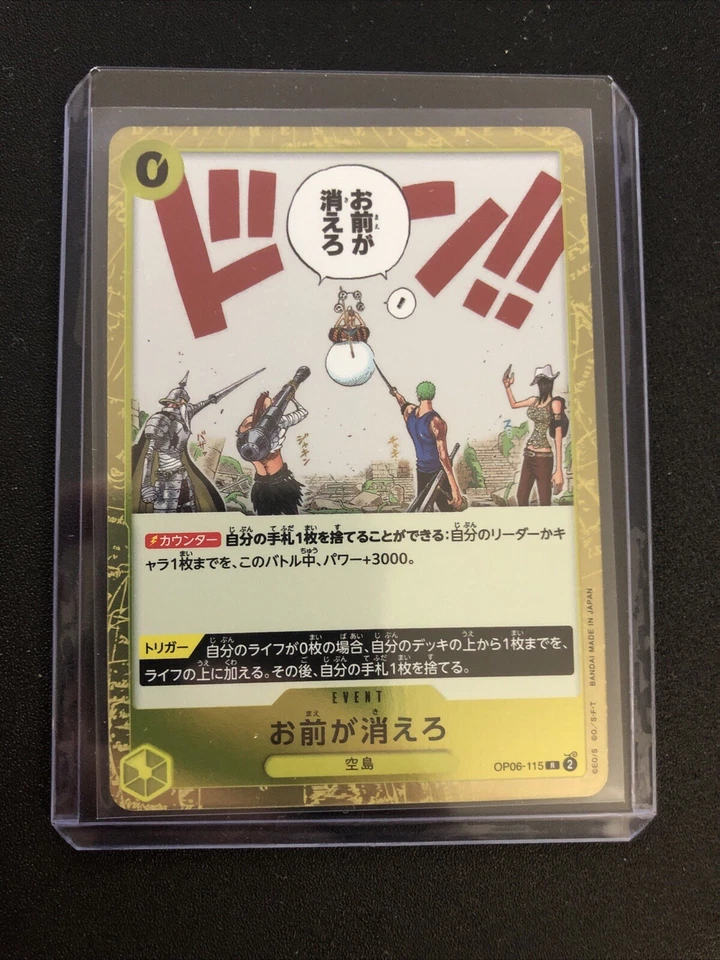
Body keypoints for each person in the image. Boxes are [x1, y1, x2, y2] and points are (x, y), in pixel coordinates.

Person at [132, 369, 262, 513]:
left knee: (191, 510)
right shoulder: (159, 420)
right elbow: (149, 454)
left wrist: (212, 399)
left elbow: (200, 405)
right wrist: (145, 486)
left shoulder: (184, 415)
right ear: (180, 402)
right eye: (184, 403)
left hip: (183, 476)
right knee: (165, 516)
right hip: (166, 480)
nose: (187, 406)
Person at [390, 380, 462, 511]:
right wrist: (454, 488)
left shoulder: (409, 414)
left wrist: (395, 393)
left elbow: (402, 402)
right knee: (449, 511)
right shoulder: (436, 422)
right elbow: (443, 457)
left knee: (423, 512)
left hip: (421, 472)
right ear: (433, 395)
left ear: (418, 396)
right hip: (438, 474)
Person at [502, 364, 568, 506]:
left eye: (544, 382)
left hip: (543, 458)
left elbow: (558, 436)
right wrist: (507, 387)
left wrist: (558, 470)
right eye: (540, 382)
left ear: (550, 383)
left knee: (544, 499)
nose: (542, 386)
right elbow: (514, 404)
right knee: (521, 497)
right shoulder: (534, 400)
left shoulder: (555, 403)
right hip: (528, 455)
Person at [237, 392, 308, 515]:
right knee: (265, 519)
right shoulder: (248, 424)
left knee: (292, 517)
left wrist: (293, 400)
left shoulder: (279, 422)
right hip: (262, 485)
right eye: (269, 405)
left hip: (282, 481)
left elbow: (302, 413)